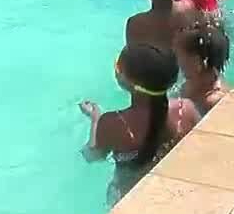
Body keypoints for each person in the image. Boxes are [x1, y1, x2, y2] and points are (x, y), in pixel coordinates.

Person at [78, 45, 200, 180]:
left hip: (127, 193)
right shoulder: (186, 109)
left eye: (118, 68)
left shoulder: (113, 123)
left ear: (129, 82)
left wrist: (95, 118)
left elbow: (92, 156)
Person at [173, 13, 229, 115]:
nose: (176, 61)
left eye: (179, 56)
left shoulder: (213, 102)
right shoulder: (190, 85)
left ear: (196, 61)